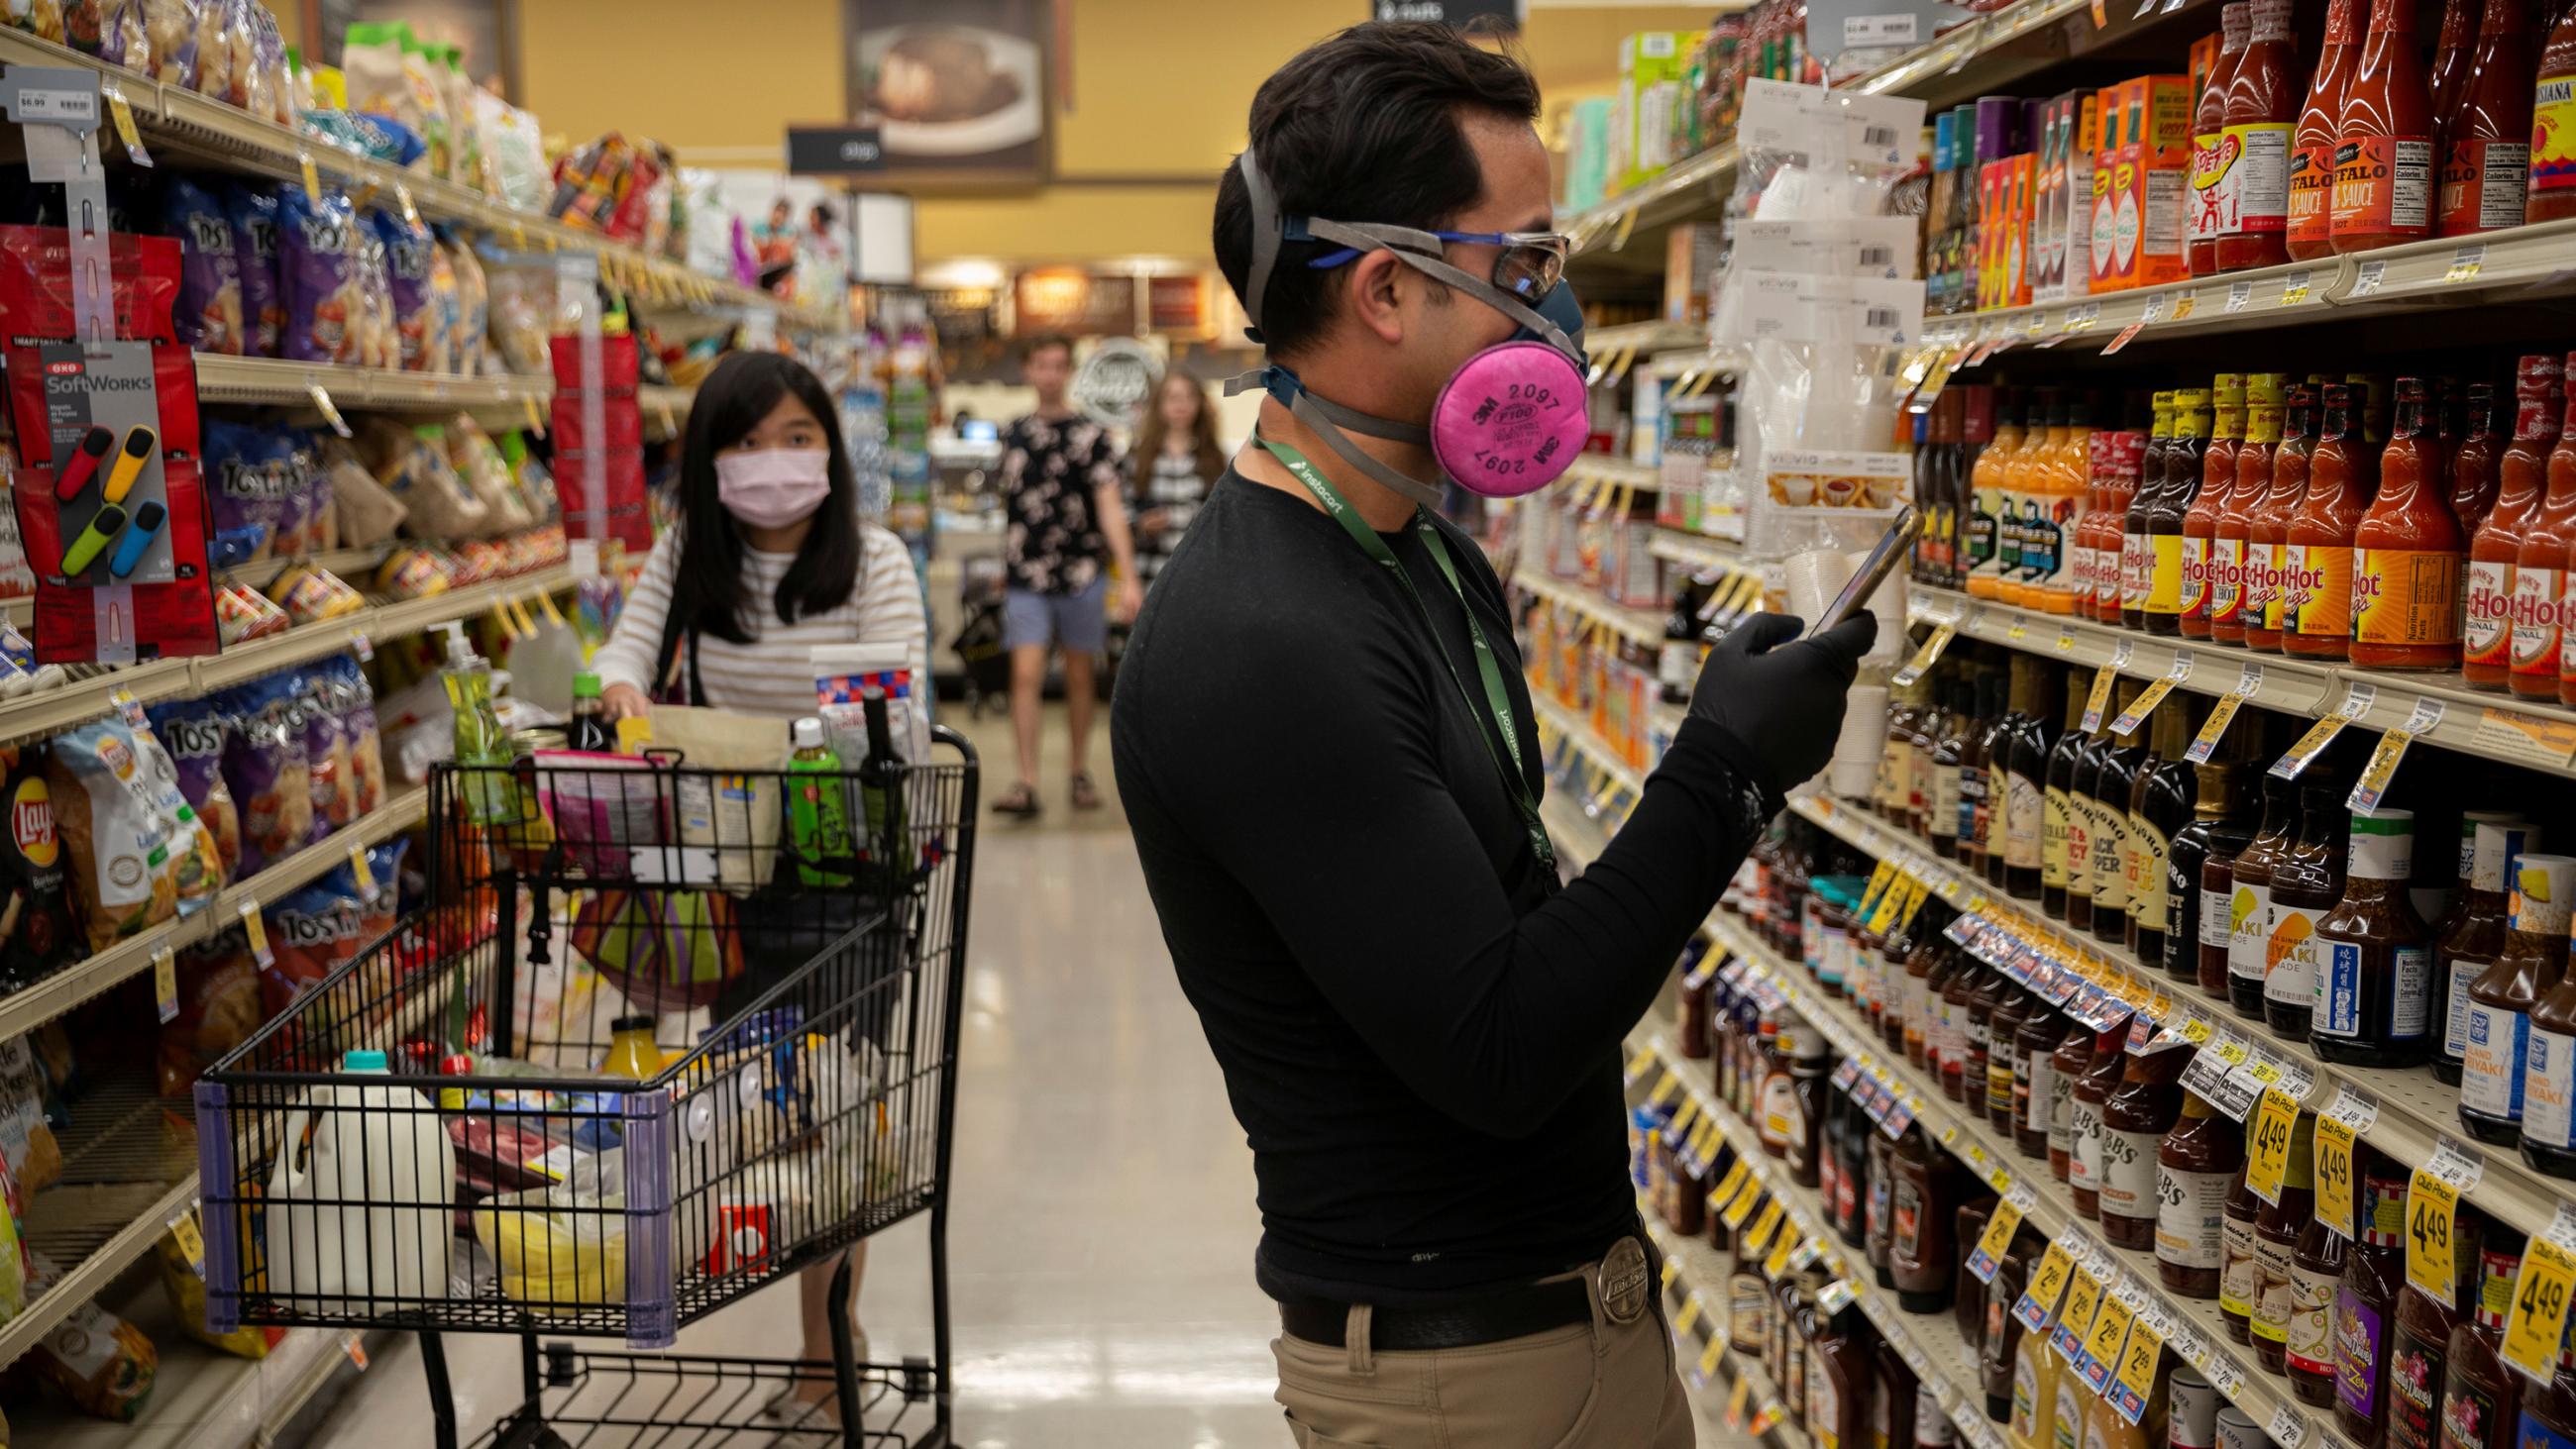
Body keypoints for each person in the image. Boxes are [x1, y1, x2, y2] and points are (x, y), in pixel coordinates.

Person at [1108, 23, 1875, 1448]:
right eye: (1525, 269)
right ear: (1390, 289)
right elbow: (1503, 1042)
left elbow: (1510, 907)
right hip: (1457, 1375)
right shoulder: (1260, 643)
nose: (1557, 314)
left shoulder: (1425, 556)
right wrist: (1725, 770)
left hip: (1563, 1315)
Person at [590, 351, 926, 1428]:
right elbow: (622, 651)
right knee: (761, 1117)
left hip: (848, 871)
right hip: (732, 875)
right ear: (707, 460)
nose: (771, 462)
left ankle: (821, 1355)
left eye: (794, 435)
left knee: (828, 1119)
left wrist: (797, 741)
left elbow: (894, 693)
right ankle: (823, 1332)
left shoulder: (873, 558)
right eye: (742, 441)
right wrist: (623, 692)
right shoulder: (692, 551)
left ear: (828, 445)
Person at [993, 334, 1144, 818]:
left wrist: (1130, 578)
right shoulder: (1012, 433)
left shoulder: (1091, 436)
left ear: (1069, 372)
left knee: (1081, 676)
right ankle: (1026, 779)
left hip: (1081, 573)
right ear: (1028, 369)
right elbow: (1010, 509)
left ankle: (1079, 770)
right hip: (1025, 574)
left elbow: (1109, 508)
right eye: (1042, 364)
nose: (1051, 374)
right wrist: (1004, 564)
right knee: (1025, 673)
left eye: (1059, 365)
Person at [1128, 369, 1225, 585]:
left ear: (1200, 403)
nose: (1181, 405)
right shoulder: (1139, 457)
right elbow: (1122, 512)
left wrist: (1174, 518)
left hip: (1200, 576)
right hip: (1150, 574)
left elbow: (1223, 520)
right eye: (1173, 397)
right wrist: (1142, 525)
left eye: (1189, 396)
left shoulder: (1216, 458)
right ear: (1159, 404)